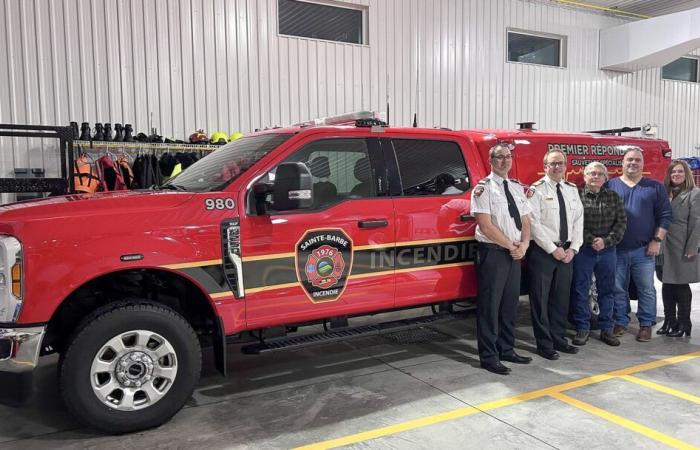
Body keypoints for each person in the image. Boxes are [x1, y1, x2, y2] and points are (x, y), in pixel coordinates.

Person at [471, 143, 532, 375]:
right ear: (491, 160)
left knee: (509, 305)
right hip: (494, 253)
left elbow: (526, 220)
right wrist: (511, 246)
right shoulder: (483, 189)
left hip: (515, 252)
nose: (505, 161)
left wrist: (524, 244)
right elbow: (485, 226)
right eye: (499, 157)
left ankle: (507, 349)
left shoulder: (516, 187)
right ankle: (489, 356)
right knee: (490, 307)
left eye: (508, 157)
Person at [607, 147, 673, 342]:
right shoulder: (611, 185)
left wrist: (657, 240)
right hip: (616, 249)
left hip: (643, 250)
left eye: (637, 160)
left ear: (643, 164)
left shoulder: (654, 187)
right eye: (629, 160)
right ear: (623, 163)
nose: (633, 163)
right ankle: (620, 320)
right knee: (618, 288)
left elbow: (666, 216)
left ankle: (646, 324)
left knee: (646, 288)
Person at [527, 149, 583, 360]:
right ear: (545, 167)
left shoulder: (571, 189)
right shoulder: (536, 190)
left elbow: (579, 221)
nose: (557, 167)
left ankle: (559, 339)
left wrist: (573, 248)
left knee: (561, 300)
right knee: (540, 300)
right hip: (543, 252)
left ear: (565, 166)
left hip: (567, 252)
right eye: (552, 163)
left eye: (560, 163)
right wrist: (553, 249)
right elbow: (533, 223)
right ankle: (545, 344)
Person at [570, 162, 627, 347]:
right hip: (584, 250)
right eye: (591, 173)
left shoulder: (613, 197)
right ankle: (583, 328)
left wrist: (605, 241)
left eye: (599, 174)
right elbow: (573, 223)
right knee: (580, 289)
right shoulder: (576, 196)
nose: (595, 177)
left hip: (608, 251)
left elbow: (621, 223)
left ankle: (606, 329)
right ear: (584, 176)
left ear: (605, 178)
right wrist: (591, 240)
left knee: (607, 290)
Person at [657, 160, 700, 337]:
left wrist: (693, 247)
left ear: (686, 174)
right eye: (673, 172)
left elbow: (697, 222)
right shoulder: (664, 192)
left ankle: (684, 323)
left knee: (681, 285)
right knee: (666, 284)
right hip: (663, 245)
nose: (676, 175)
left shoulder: (694, 193)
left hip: (682, 245)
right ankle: (669, 321)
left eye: (680, 172)